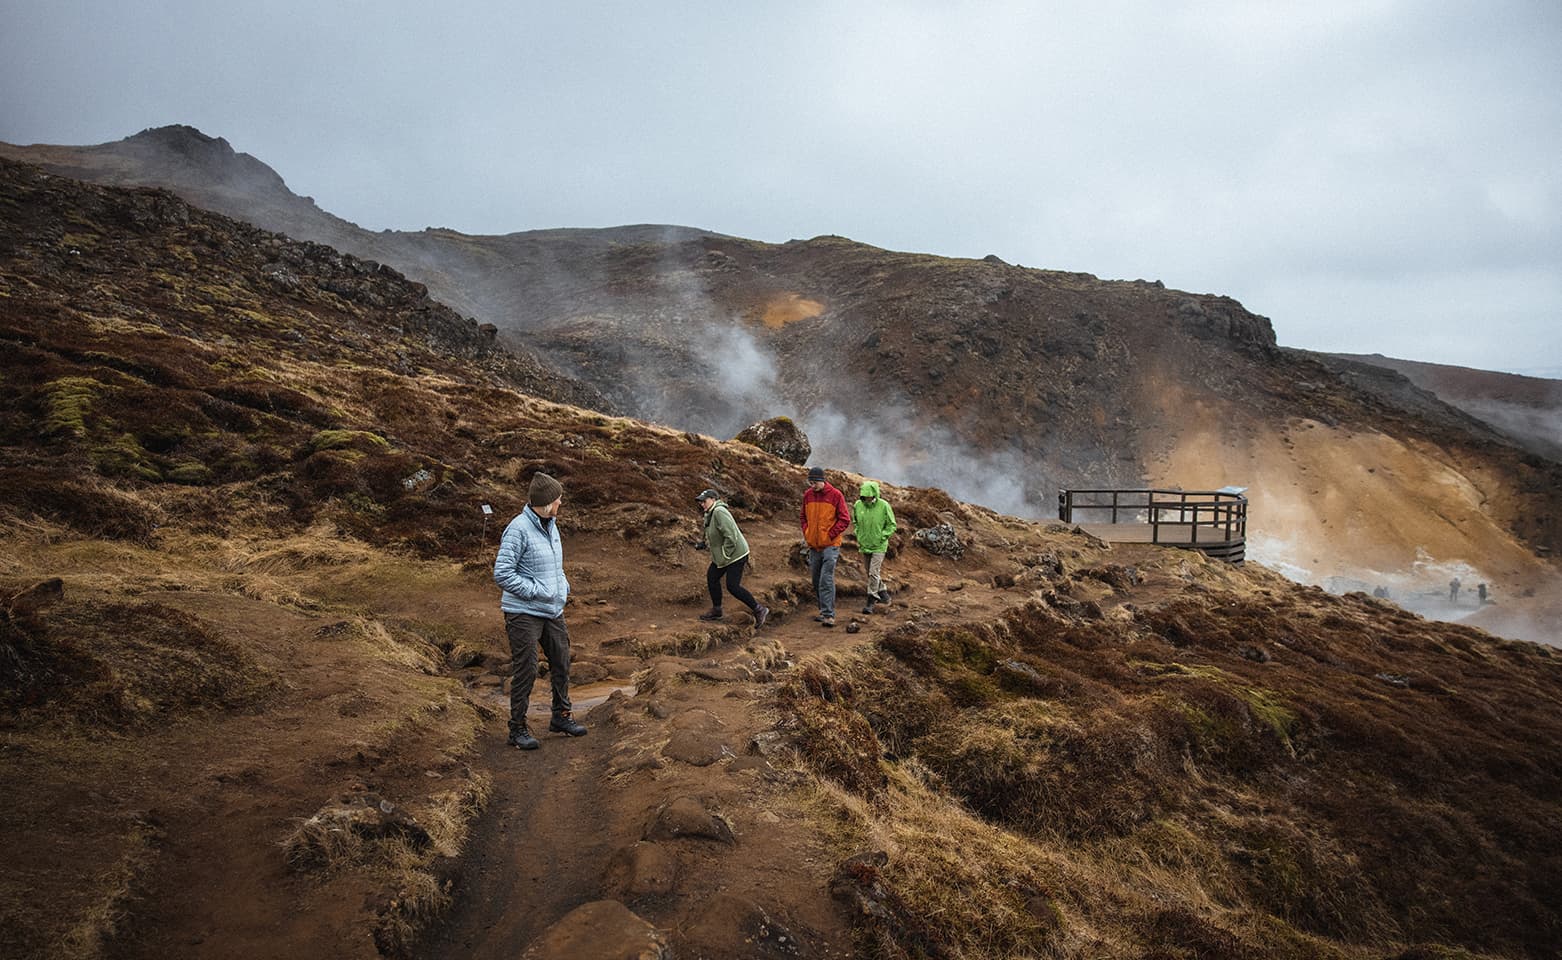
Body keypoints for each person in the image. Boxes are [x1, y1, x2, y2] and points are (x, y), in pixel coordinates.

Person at [494, 471, 587, 750]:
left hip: (551, 609)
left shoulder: (551, 524)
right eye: (557, 500)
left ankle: (561, 716)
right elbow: (502, 573)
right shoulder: (519, 528)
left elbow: (554, 565)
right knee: (528, 668)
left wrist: (562, 585)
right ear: (545, 503)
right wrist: (537, 590)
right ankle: (517, 728)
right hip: (523, 611)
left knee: (561, 660)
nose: (560, 504)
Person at [695, 488, 769, 627]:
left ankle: (760, 609)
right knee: (712, 577)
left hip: (736, 555)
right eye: (700, 502)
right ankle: (717, 610)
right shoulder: (710, 513)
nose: (702, 504)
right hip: (723, 556)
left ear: (713, 499)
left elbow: (731, 536)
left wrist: (725, 554)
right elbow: (714, 533)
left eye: (704, 501)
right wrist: (704, 544)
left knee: (732, 586)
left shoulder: (719, 512)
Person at [800, 465, 850, 627]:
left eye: (815, 482)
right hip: (814, 545)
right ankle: (823, 611)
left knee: (825, 579)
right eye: (810, 482)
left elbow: (844, 519)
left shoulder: (836, 495)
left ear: (822, 481)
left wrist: (829, 535)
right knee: (815, 579)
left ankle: (829, 615)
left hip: (831, 545)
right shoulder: (808, 495)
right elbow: (803, 517)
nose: (812, 485)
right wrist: (807, 532)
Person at [851, 480, 897, 614]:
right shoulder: (858, 505)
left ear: (875, 494)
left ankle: (871, 600)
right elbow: (855, 522)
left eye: (869, 495)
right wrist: (859, 535)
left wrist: (882, 536)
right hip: (865, 544)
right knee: (870, 572)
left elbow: (892, 524)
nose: (867, 498)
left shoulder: (884, 506)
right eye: (865, 496)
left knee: (873, 572)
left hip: (879, 546)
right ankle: (884, 594)